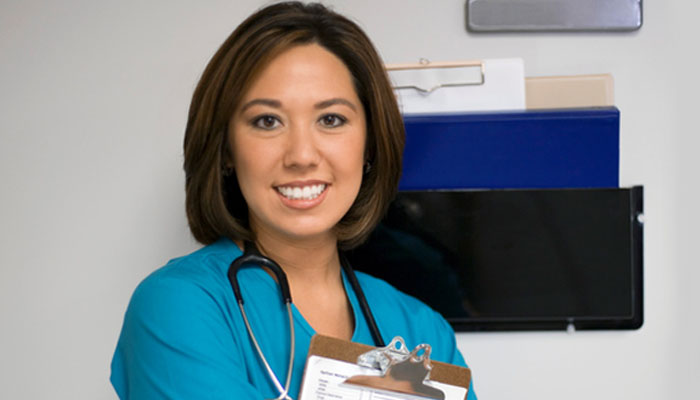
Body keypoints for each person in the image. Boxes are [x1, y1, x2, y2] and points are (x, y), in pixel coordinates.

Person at [110, 2, 477, 399]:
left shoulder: (423, 330)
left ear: (369, 144)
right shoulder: (179, 307)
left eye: (331, 119)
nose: (301, 155)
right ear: (227, 148)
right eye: (267, 121)